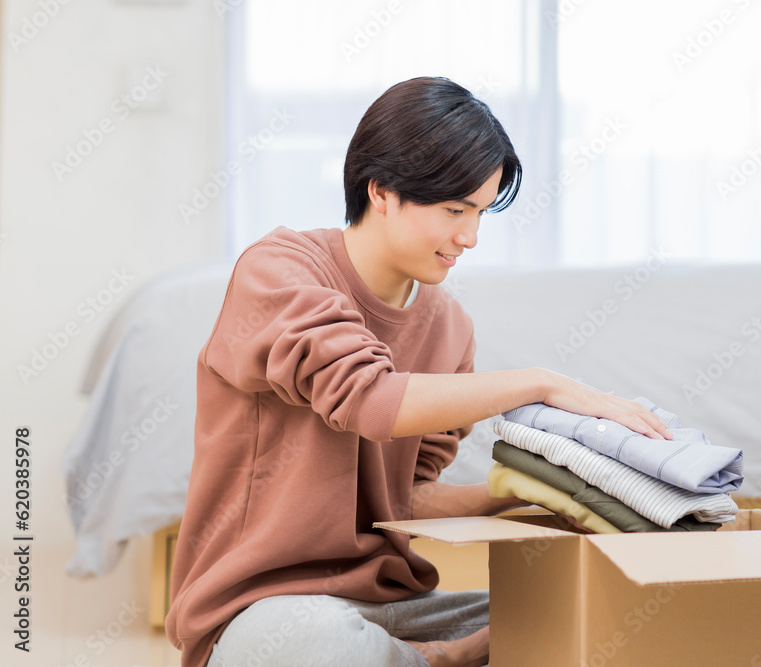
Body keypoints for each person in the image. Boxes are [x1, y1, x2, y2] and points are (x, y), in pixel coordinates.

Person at [164, 76, 671, 667]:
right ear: (382, 191)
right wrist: (542, 382)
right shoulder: (279, 270)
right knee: (321, 645)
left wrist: (525, 490)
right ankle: (443, 661)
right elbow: (369, 401)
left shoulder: (449, 326)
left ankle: (431, 655)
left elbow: (404, 502)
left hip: (387, 607)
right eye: (455, 210)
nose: (470, 237)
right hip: (263, 611)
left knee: (582, 614)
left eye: (480, 212)